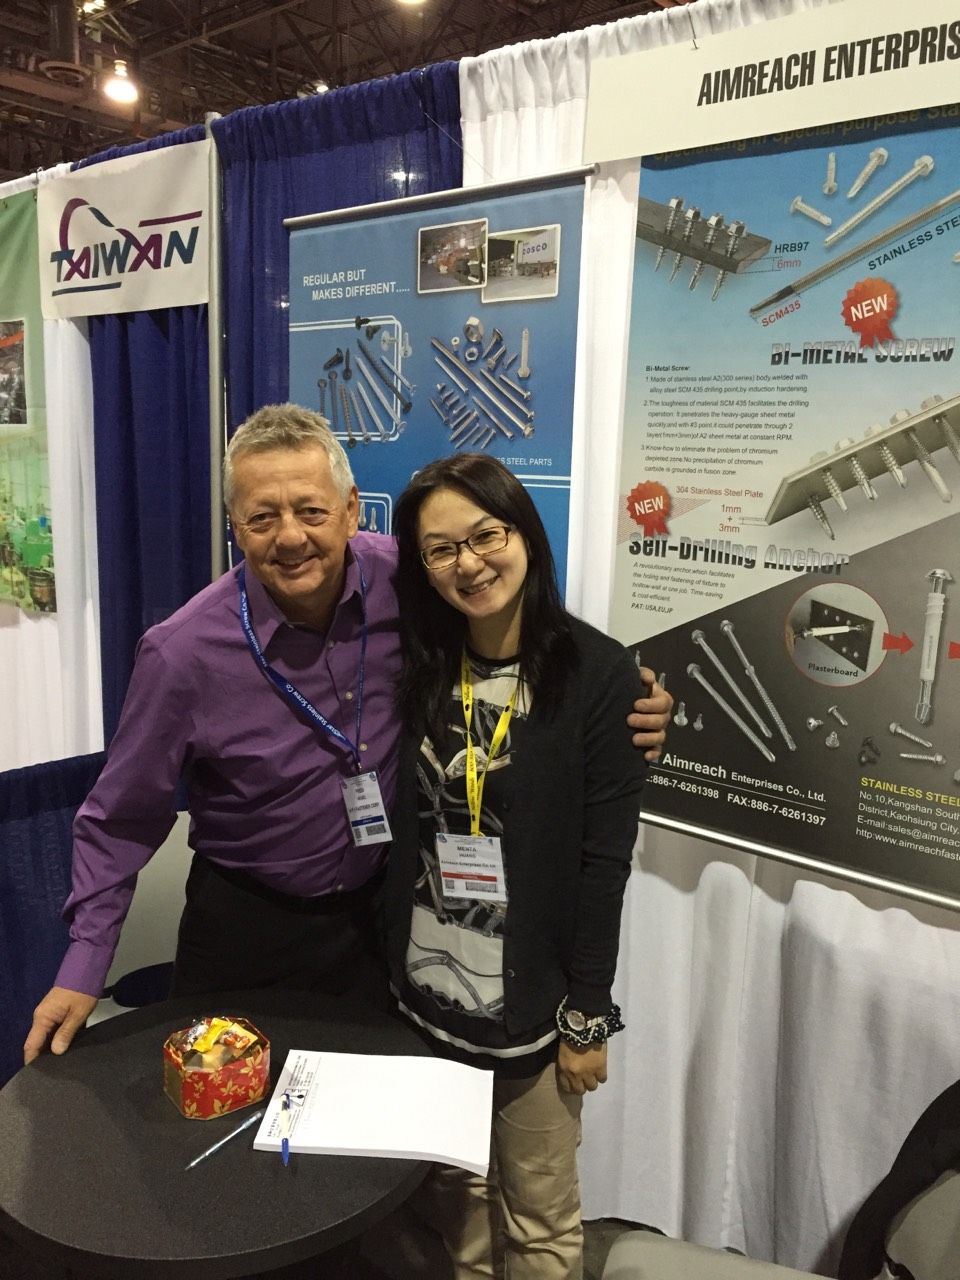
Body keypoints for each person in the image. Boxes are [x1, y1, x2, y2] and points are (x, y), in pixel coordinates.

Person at [25, 405, 671, 1064]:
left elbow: (514, 631)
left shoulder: (409, 582)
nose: (291, 537)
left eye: (311, 510)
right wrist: (83, 965)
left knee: (358, 1117)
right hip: (246, 929)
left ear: (351, 510)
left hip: (376, 925)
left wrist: (624, 698)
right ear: (235, 528)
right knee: (228, 1111)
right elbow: (121, 817)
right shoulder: (182, 654)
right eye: (262, 517)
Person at [383, 453, 649, 1279]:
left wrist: (587, 1017)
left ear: (524, 534)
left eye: (485, 535)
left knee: (538, 1222)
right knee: (455, 1213)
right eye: (440, 550)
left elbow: (605, 863)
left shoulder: (599, 674)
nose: (468, 563)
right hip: (427, 1001)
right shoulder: (419, 664)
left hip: (532, 1013)